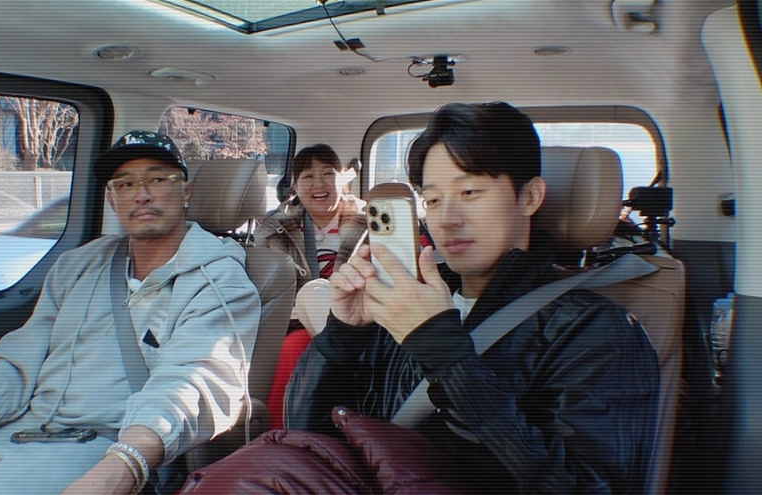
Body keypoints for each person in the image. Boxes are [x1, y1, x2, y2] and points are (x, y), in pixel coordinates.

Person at [179, 103, 660, 494]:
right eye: (431, 199)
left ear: (530, 197)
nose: (446, 218)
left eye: (470, 192)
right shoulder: (405, 297)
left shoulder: (596, 330)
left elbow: (584, 485)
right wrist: (342, 338)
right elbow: (311, 434)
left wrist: (446, 356)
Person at [0, 130, 261, 495]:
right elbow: (22, 357)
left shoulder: (219, 281)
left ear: (186, 191)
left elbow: (192, 385)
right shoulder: (80, 264)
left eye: (158, 179)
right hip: (27, 412)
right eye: (125, 184)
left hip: (104, 440)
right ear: (112, 200)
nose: (141, 194)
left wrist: (122, 468)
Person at [254, 144, 367, 430]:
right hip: (295, 322)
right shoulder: (273, 229)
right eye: (308, 176)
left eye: (328, 174)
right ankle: (281, 437)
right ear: (294, 186)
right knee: (296, 343)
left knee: (301, 345)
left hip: (360, 321)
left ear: (343, 181)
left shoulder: (371, 223)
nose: (319, 184)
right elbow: (263, 292)